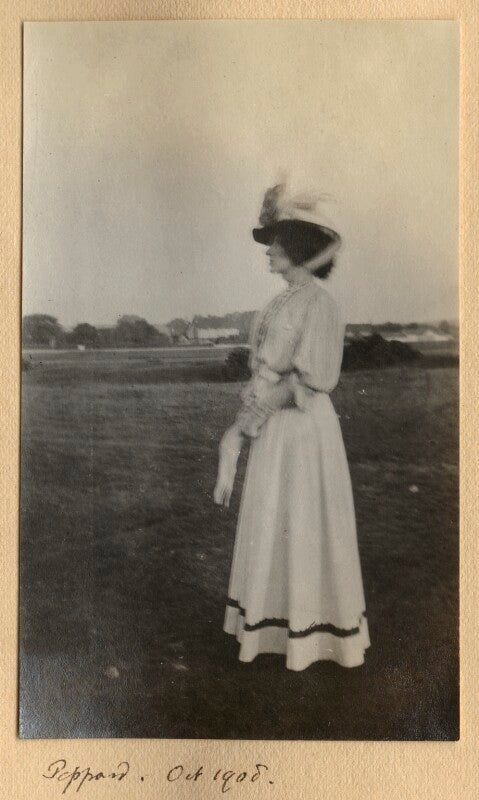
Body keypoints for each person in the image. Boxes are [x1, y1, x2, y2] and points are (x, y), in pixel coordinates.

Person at [214, 183, 370, 671]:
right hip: (275, 428)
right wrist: (240, 428)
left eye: (278, 243)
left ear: (299, 250)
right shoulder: (279, 302)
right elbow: (264, 373)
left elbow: (310, 379)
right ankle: (269, 624)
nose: (270, 251)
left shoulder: (320, 305)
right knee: (272, 520)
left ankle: (311, 635)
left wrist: (245, 428)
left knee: (301, 520)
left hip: (302, 430)